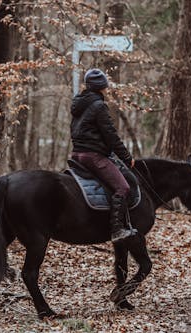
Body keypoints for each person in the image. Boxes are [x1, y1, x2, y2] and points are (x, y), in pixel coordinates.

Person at [70, 68, 137, 242]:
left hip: (77, 154)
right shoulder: (99, 106)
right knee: (123, 188)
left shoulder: (79, 104)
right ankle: (117, 230)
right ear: (102, 87)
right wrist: (127, 158)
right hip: (93, 156)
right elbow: (111, 135)